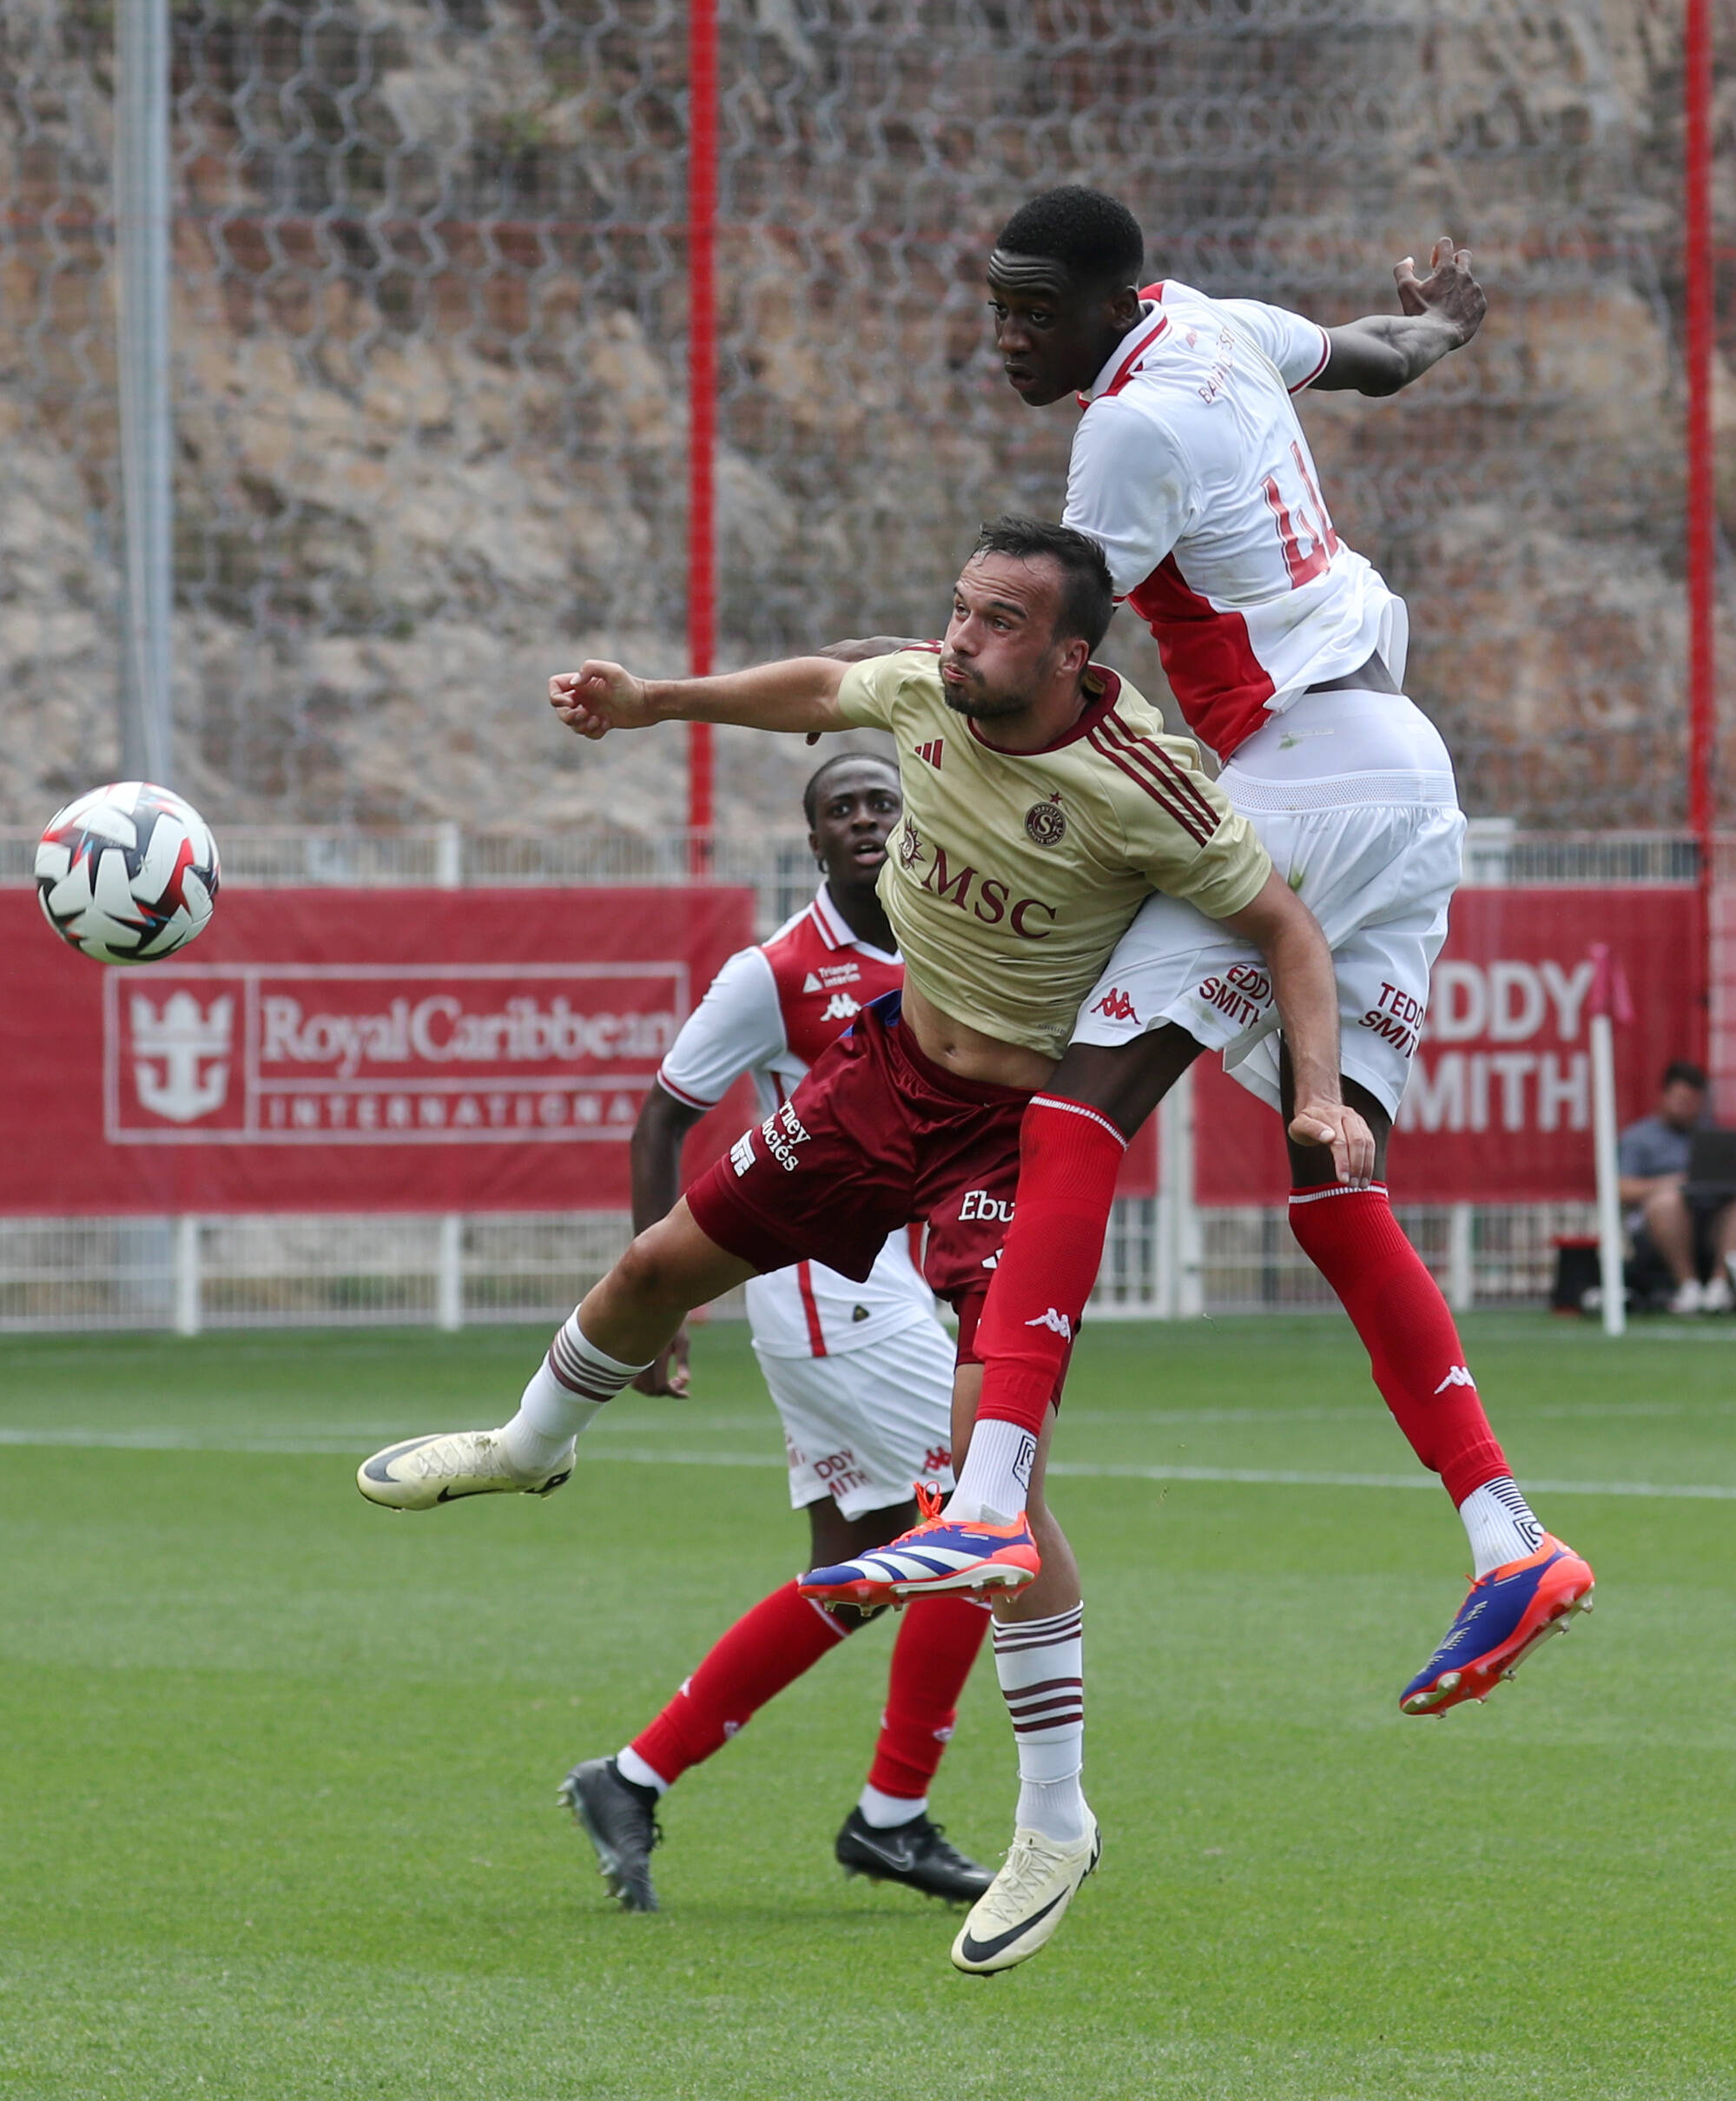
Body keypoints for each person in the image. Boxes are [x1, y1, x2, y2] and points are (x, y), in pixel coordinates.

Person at [357, 513, 1373, 1975]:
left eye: (996, 622)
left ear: (1071, 654)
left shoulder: (1144, 782)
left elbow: (1283, 929)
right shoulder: (924, 691)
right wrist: (654, 702)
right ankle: (529, 1444)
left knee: (986, 1497)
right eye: (956, 610)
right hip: (879, 1082)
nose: (958, 639)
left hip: (1012, 1140)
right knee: (653, 1271)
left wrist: (1320, 1097)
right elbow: (828, 682)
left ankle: (1051, 1813)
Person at [816, 188, 1594, 1731]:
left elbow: (1045, 654)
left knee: (1074, 1107)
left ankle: (983, 1491)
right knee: (1333, 1177)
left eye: (1031, 311)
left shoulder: (1123, 431)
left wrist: (913, 714)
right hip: (1400, 769)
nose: (1003, 338)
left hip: (1301, 762)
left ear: (1108, 301)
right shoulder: (1213, 324)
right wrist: (1437, 320)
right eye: (994, 306)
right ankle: (1505, 1536)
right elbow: (1370, 355)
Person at [558, 753, 994, 1912]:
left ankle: (629, 1778)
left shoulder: (952, 935)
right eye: (839, 808)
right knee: (981, 1527)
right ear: (810, 842)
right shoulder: (778, 971)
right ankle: (890, 1818)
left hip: (887, 1284)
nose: (864, 819)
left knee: (854, 1567)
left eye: (880, 803)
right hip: (827, 1288)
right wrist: (655, 1308)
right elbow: (662, 1123)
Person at [1618, 1060, 1730, 1314]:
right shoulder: (1638, 1138)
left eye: (1693, 1102)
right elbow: (1620, 1189)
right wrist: (1670, 1184)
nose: (1688, 1109)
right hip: (1658, 1225)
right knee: (1668, 1202)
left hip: (1710, 1221)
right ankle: (1688, 1286)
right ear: (1664, 1096)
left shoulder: (1712, 1137)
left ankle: (1719, 1287)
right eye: (1681, 1101)